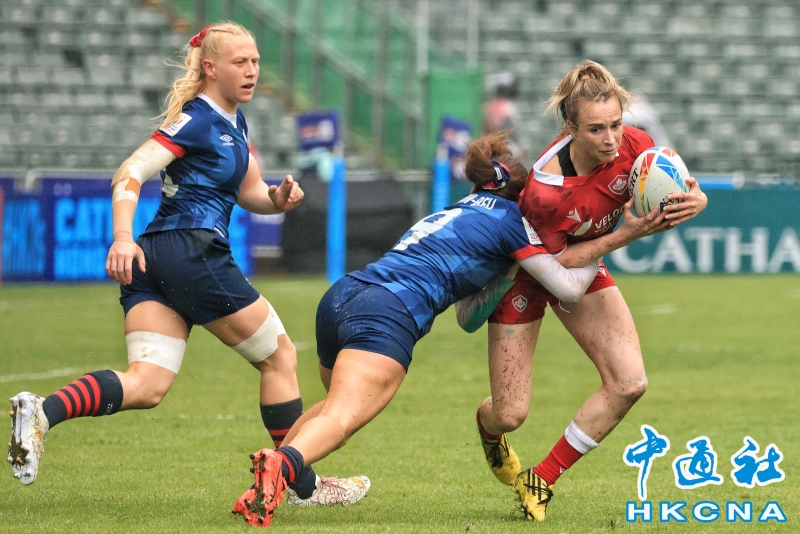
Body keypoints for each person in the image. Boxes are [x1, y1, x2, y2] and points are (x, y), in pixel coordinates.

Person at [6, 22, 368, 507]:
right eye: (240, 62)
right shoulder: (197, 119)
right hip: (190, 251)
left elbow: (250, 192)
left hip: (159, 258)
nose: (252, 71)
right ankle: (300, 484)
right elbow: (130, 172)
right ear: (211, 68)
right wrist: (120, 236)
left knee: (147, 384)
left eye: (256, 61)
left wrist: (277, 200)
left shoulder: (234, 122)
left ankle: (41, 412)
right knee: (279, 357)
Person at [230, 130, 670, 526]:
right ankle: (282, 467)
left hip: (343, 296)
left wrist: (504, 280)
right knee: (341, 420)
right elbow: (569, 287)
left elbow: (466, 316)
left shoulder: (458, 210)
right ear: (522, 195)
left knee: (334, 408)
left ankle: (282, 482)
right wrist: (621, 233)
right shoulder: (513, 223)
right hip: (388, 313)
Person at [460, 60, 708, 521]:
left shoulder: (636, 146)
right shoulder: (546, 190)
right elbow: (553, 265)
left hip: (585, 264)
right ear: (570, 128)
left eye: (616, 124)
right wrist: (626, 235)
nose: (611, 139)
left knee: (629, 382)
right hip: (528, 273)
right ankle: (489, 430)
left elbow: (674, 188)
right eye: (596, 129)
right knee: (510, 414)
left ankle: (540, 480)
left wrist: (696, 199)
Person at [483, 72, 527, 161]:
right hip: (500, 145)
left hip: (488, 144)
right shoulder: (507, 107)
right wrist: (520, 145)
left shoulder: (489, 104)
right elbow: (512, 130)